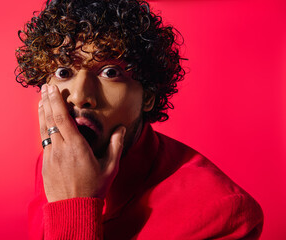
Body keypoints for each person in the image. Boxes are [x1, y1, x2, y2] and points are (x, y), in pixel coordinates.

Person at [15, 0, 264, 239]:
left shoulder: (221, 214)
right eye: (63, 72)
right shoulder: (53, 160)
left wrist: (74, 205)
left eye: (110, 72)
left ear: (147, 95)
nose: (80, 96)